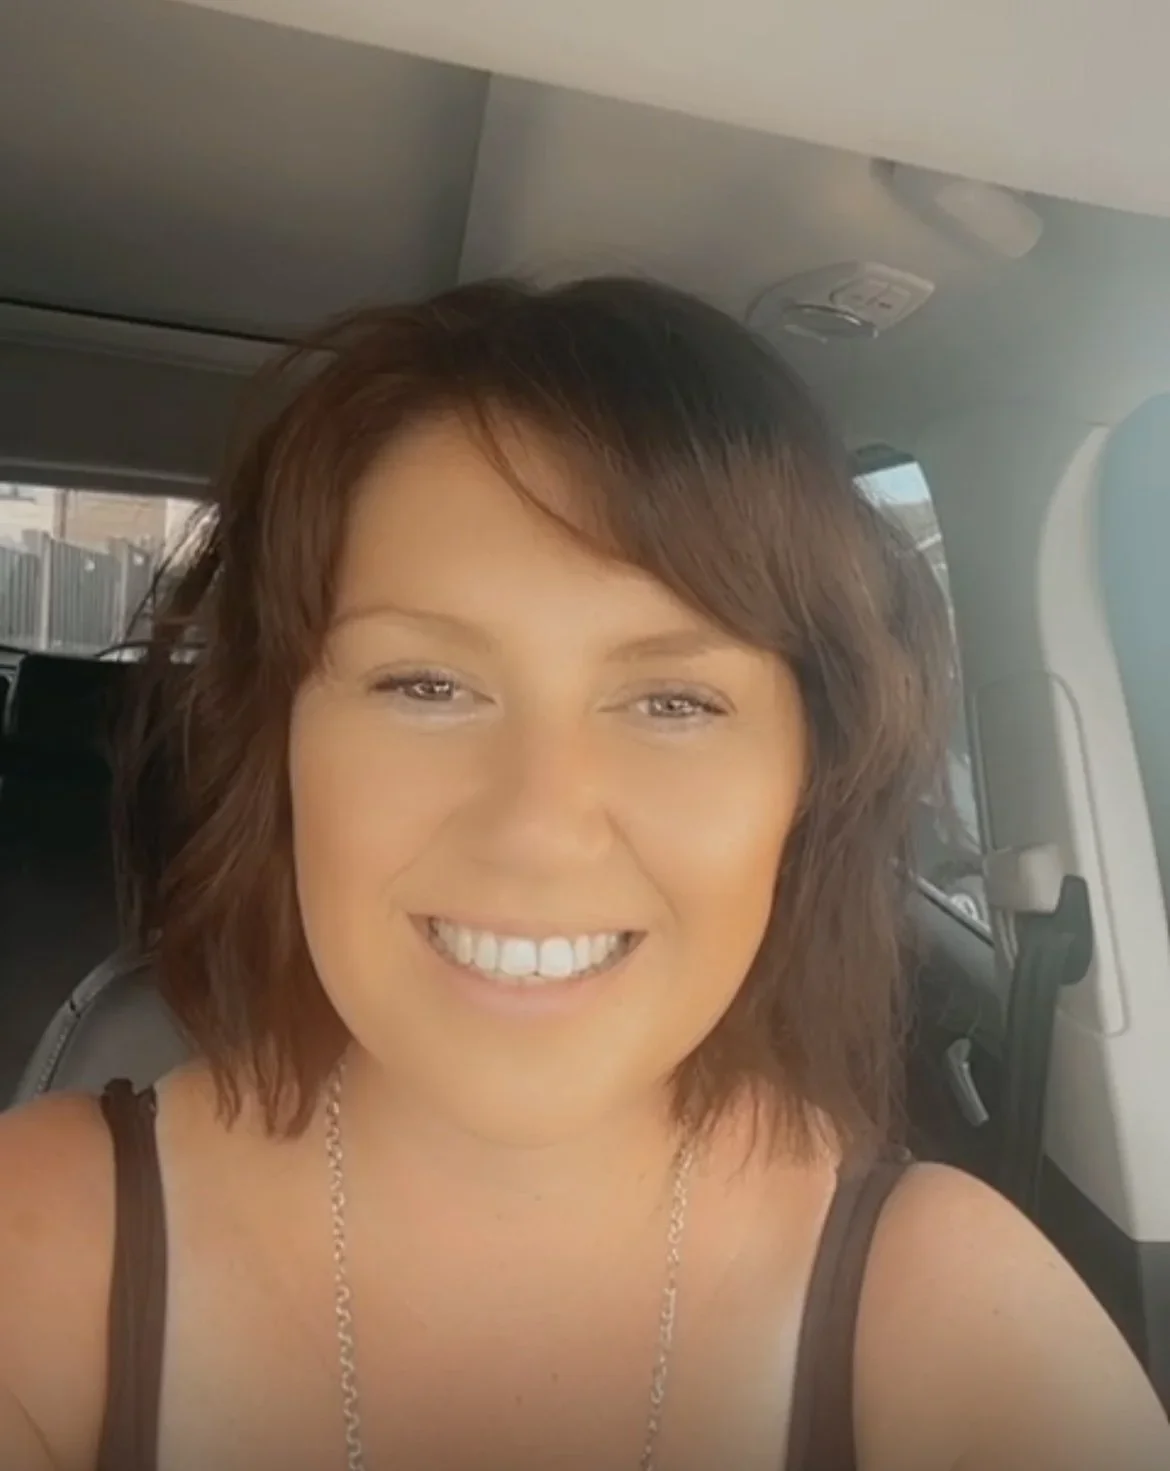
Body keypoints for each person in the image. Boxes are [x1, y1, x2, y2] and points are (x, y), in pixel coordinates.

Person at [0, 277, 1166, 1471]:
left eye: (673, 700)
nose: (540, 826)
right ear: (280, 743)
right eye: (425, 685)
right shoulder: (42, 1253)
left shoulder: (957, 1319)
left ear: (807, 783)